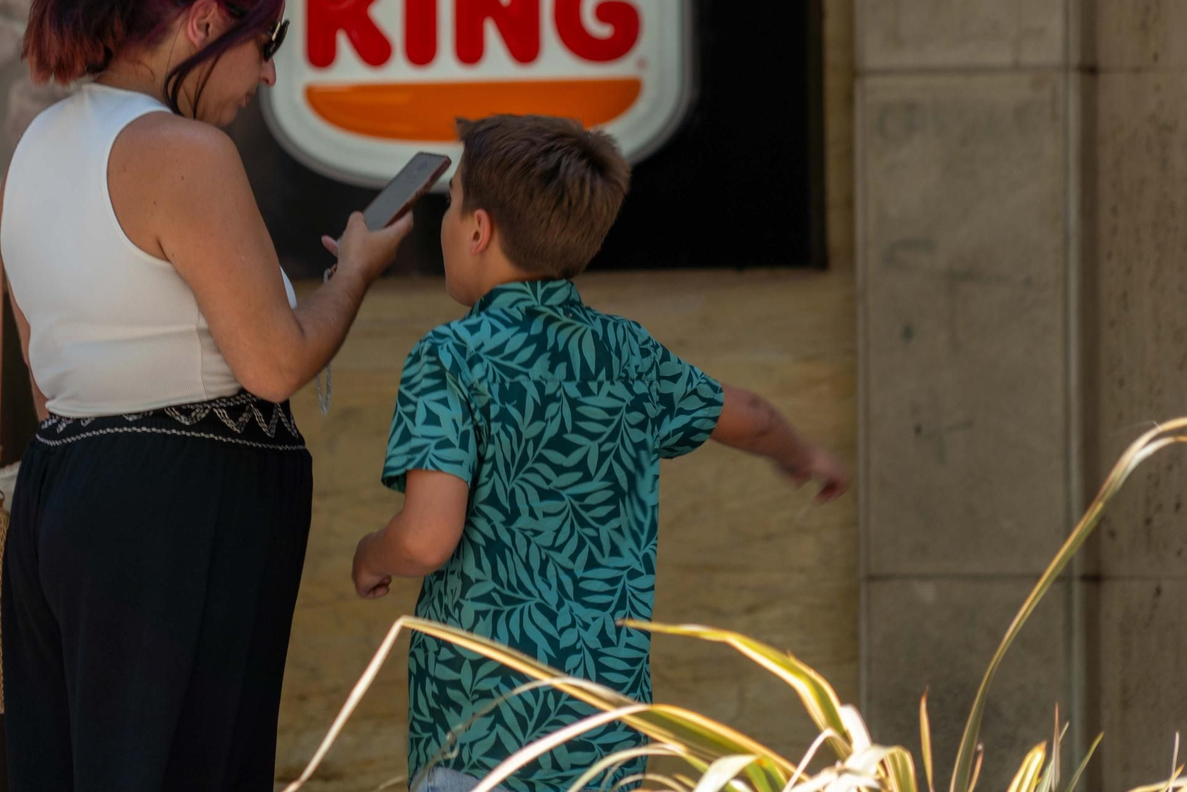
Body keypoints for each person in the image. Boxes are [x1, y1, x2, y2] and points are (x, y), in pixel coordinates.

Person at [0, 0, 413, 791]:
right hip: (178, 519)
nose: (266, 74)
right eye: (267, 41)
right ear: (203, 23)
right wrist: (355, 273)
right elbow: (274, 364)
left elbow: (46, 380)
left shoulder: (36, 146)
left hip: (63, 494)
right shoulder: (183, 152)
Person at [351, 115, 850, 792]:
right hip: (602, 736)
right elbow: (753, 417)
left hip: (482, 735)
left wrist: (370, 555)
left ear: (478, 231)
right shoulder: (628, 354)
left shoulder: (450, 357)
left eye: (453, 202)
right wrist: (802, 457)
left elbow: (425, 539)